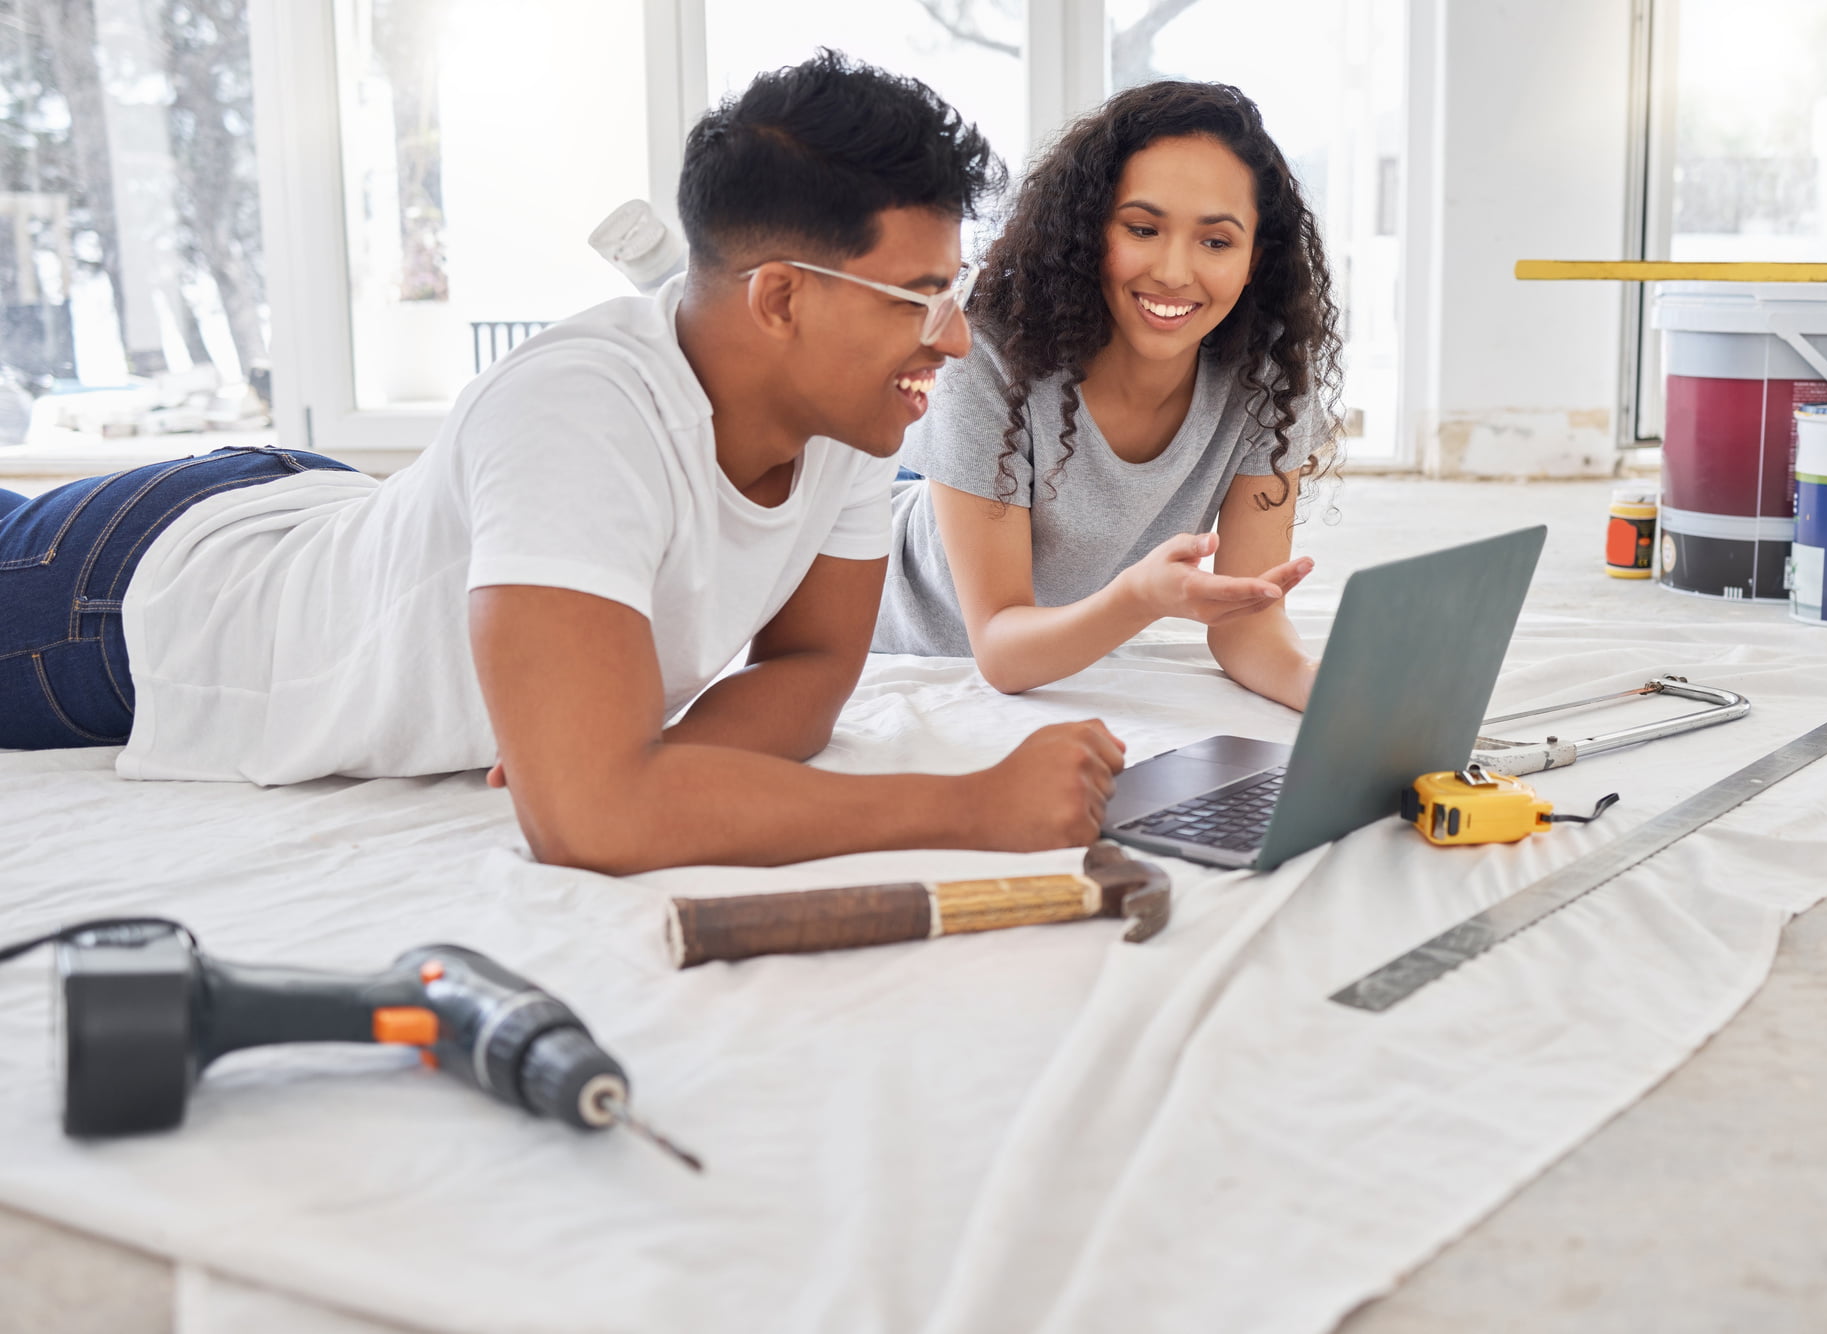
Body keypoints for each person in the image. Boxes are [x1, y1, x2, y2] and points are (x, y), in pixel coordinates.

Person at [0, 51, 1125, 873]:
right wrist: (970, 804)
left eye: (955, 292)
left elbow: (816, 665)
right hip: (126, 595)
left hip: (307, 508)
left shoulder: (844, 416)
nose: (956, 339)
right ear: (778, 296)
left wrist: (658, 765)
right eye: (922, 299)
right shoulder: (579, 412)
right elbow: (585, 821)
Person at [871, 81, 1341, 711]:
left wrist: (1329, 691)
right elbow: (1000, 649)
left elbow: (1247, 623)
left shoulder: (1269, 369)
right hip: (906, 635)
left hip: (1066, 653)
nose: (1175, 271)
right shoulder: (990, 351)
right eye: (1143, 229)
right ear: (1088, 230)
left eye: (1217, 241)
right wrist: (1140, 599)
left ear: (1255, 258)